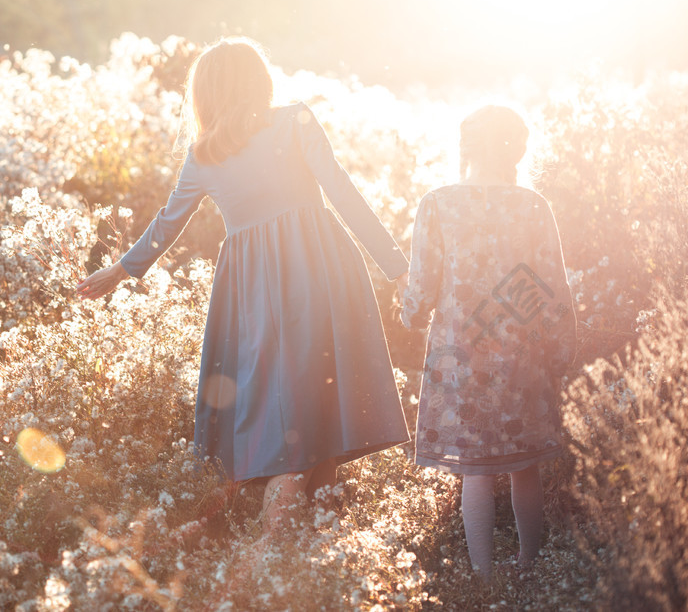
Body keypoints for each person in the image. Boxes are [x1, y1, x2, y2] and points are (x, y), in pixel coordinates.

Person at [78, 37, 410, 534]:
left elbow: (166, 225)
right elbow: (343, 191)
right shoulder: (293, 120)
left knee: (286, 398)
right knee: (314, 395)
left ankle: (297, 538)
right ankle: (275, 541)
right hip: (321, 270)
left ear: (205, 94)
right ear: (259, 80)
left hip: (252, 290)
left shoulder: (203, 156)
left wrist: (121, 269)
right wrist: (397, 266)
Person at [401, 105, 576, 580]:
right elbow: (553, 287)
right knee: (526, 467)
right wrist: (562, 350)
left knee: (474, 469)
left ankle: (482, 579)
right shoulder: (532, 206)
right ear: (515, 150)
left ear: (467, 147)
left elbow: (422, 287)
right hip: (524, 360)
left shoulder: (437, 204)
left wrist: (410, 312)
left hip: (460, 361)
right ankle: (530, 565)